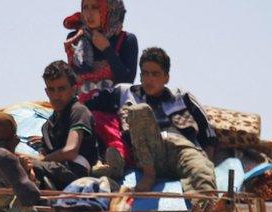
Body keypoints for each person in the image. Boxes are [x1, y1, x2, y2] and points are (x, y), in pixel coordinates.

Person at [87, 47, 218, 157]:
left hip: (183, 156)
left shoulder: (182, 98)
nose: (149, 79)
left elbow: (209, 137)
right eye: (145, 73)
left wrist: (205, 163)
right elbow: (87, 108)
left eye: (155, 74)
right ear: (140, 76)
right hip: (141, 161)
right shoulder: (124, 93)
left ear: (166, 78)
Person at [22, 61, 99, 191]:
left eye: (62, 89)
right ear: (46, 92)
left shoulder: (78, 111)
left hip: (75, 175)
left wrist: (41, 160)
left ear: (74, 89)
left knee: (21, 165)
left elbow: (70, 151)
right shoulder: (47, 126)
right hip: (52, 173)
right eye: (52, 90)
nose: (56, 95)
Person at [63, 0, 138, 102]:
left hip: (114, 110)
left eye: (95, 7)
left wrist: (107, 49)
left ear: (108, 9)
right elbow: (72, 83)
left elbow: (127, 82)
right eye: (85, 8)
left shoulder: (126, 40)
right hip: (82, 112)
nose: (89, 13)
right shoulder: (77, 39)